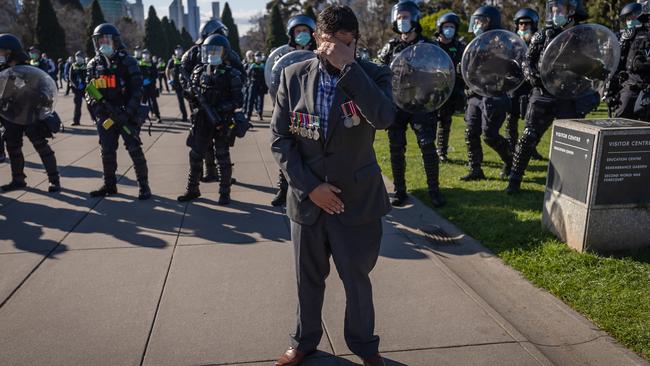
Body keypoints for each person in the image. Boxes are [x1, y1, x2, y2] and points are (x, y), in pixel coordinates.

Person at [271, 5, 394, 366]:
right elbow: (280, 139)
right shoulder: (293, 76)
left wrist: (349, 69)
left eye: (349, 43)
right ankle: (304, 340)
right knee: (306, 279)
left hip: (356, 200)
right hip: (307, 201)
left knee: (357, 280)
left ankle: (365, 346)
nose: (340, 50)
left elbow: (385, 117)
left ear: (356, 42)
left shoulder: (373, 75)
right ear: (318, 41)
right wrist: (311, 187)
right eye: (333, 44)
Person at [506, 0, 593, 193]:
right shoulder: (543, 34)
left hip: (569, 95)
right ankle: (514, 180)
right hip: (543, 92)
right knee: (528, 136)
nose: (554, 12)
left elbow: (593, 63)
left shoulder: (584, 35)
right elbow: (527, 61)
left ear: (571, 11)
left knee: (573, 140)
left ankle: (571, 184)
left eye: (559, 9)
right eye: (552, 9)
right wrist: (531, 75)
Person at [377, 0, 445, 207]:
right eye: (399, 17)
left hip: (421, 103)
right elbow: (379, 73)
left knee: (427, 145)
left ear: (415, 19)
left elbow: (440, 73)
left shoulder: (429, 47)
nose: (402, 21)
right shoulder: (390, 47)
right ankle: (399, 190)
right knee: (396, 148)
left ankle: (434, 190)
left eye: (406, 17)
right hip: (397, 104)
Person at [85, 23, 151, 200]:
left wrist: (127, 113)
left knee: (134, 148)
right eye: (100, 40)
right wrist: (98, 109)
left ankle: (144, 186)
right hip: (105, 115)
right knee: (106, 150)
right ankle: (109, 185)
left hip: (126, 114)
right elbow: (89, 90)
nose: (103, 43)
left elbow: (138, 91)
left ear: (115, 41)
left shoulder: (128, 62)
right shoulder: (93, 64)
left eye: (106, 39)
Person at [177, 34, 243, 205]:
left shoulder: (231, 74)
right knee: (195, 154)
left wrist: (221, 108)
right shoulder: (198, 71)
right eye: (209, 50)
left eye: (216, 50)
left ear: (224, 53)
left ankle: (224, 192)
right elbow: (191, 95)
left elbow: (238, 100)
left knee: (222, 157)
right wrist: (190, 94)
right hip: (201, 120)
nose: (212, 54)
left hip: (222, 120)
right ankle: (193, 189)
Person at [0, 33, 60, 192]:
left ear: (10, 52)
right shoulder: (3, 71)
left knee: (41, 146)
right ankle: (18, 179)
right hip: (11, 115)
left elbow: (46, 91)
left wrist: (39, 101)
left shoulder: (31, 70)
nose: (0, 56)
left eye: (1, 52)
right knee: (13, 147)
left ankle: (54, 180)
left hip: (31, 114)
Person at [460, 5, 513, 182]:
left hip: (494, 95)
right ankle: (475, 169)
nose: (476, 24)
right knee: (470, 133)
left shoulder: (502, 44)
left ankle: (510, 161)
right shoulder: (474, 44)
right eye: (474, 21)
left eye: (480, 21)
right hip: (475, 94)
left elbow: (509, 68)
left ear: (490, 22)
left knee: (490, 135)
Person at [270, 14, 318, 207]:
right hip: (289, 108)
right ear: (292, 34)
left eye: (305, 31)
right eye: (298, 31)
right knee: (287, 147)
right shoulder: (283, 57)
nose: (301, 34)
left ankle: (311, 187)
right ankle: (283, 189)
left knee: (309, 148)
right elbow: (274, 80)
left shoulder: (318, 53)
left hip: (311, 109)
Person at [507, 8, 545, 160]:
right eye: (520, 24)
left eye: (527, 24)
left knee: (535, 122)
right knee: (511, 121)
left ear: (533, 25)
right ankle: (511, 153)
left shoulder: (540, 43)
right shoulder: (510, 43)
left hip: (532, 86)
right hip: (514, 86)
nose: (523, 27)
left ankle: (530, 148)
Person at [608, 2, 650, 120]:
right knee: (621, 121)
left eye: (632, 17)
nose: (629, 21)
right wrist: (610, 93)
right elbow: (616, 64)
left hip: (647, 88)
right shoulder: (627, 37)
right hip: (630, 87)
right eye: (627, 18)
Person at [434, 12, 466, 162]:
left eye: (452, 27)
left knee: (445, 122)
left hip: (452, 90)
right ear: (440, 28)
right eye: (446, 26)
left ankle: (441, 151)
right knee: (430, 122)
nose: (449, 29)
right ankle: (428, 150)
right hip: (434, 90)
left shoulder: (459, 47)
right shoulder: (433, 45)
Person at [166, 45, 188, 122]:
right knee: (181, 101)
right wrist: (169, 80)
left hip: (185, 83)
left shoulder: (185, 58)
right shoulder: (172, 60)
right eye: (177, 49)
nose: (178, 51)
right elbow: (167, 70)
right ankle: (184, 116)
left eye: (180, 49)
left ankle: (193, 115)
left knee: (191, 100)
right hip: (177, 83)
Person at [139, 49, 162, 122]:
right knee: (143, 103)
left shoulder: (152, 64)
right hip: (143, 87)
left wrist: (150, 80)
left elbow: (156, 75)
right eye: (144, 54)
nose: (145, 55)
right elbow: (137, 75)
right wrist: (142, 81)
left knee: (154, 102)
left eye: (147, 54)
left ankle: (158, 116)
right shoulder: (139, 64)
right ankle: (142, 118)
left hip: (152, 86)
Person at [244, 51, 267, 121]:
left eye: (259, 56)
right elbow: (247, 75)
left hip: (261, 85)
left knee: (261, 101)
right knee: (250, 100)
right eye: (257, 56)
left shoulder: (263, 66)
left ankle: (260, 114)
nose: (258, 58)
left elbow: (266, 76)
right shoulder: (252, 65)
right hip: (253, 84)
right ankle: (248, 114)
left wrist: (265, 87)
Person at [68, 51, 90, 126]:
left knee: (90, 104)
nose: (78, 58)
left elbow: (89, 76)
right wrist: (76, 85)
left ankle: (95, 119)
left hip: (86, 88)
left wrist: (84, 84)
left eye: (80, 56)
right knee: (77, 106)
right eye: (77, 56)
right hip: (77, 89)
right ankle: (76, 121)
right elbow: (71, 78)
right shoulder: (73, 66)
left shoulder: (87, 66)